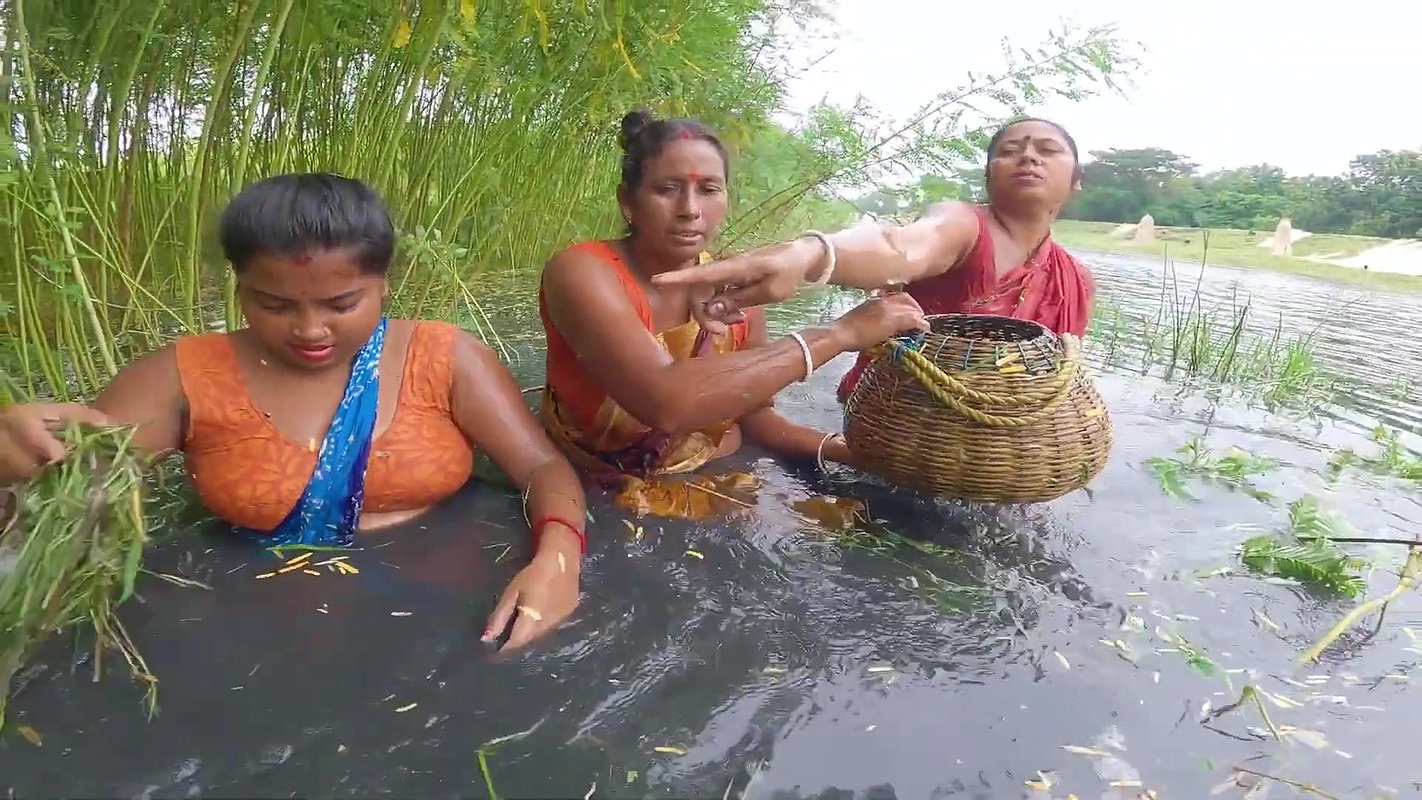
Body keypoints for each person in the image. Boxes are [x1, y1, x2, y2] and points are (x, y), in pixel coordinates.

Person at [0, 173, 586, 650]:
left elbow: (540, 469)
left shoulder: (445, 358)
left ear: (385, 282)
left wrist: (559, 562)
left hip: (450, 608)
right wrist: (12, 453)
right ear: (238, 285)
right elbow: (71, 492)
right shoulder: (183, 376)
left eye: (341, 303)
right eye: (273, 303)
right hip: (260, 624)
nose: (310, 330)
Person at [537, 110, 928, 482]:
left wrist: (855, 456)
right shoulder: (581, 272)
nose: (690, 210)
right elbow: (664, 400)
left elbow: (753, 415)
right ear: (628, 201)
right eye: (667, 189)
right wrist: (840, 335)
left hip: (712, 472)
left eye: (708, 190)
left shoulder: (740, 294)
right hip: (584, 480)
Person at [650, 117, 1094, 404]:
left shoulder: (1074, 280)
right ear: (989, 173)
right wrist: (812, 254)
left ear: (1075, 179)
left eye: (1047, 149)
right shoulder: (963, 225)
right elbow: (901, 247)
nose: (1029, 156)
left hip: (992, 450)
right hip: (895, 423)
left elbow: (1058, 378)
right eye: (1011, 149)